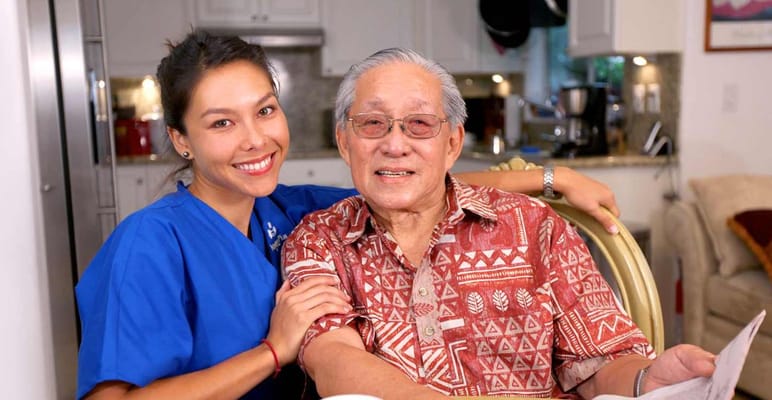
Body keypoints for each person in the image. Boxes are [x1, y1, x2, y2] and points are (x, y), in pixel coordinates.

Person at [76, 31, 625, 400]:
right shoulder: (148, 243)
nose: (255, 139)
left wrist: (552, 179)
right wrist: (272, 352)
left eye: (265, 110)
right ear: (181, 139)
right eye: (221, 123)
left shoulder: (284, 209)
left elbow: (415, 180)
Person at [281, 48, 717, 399]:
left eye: (419, 124)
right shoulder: (320, 239)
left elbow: (600, 363)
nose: (395, 144)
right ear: (344, 142)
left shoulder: (535, 228)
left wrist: (647, 380)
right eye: (372, 124)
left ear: (453, 142)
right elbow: (333, 361)